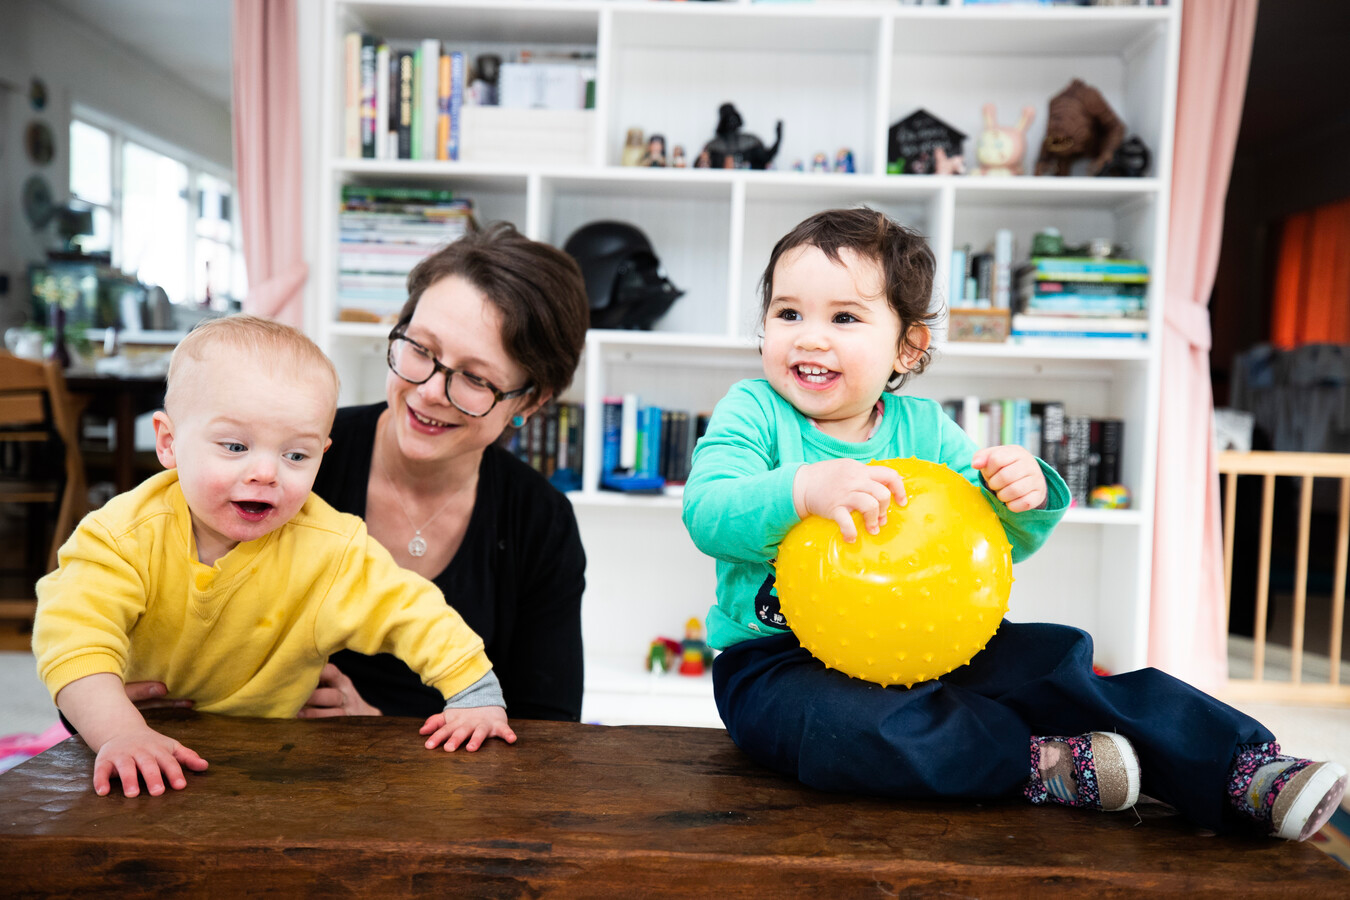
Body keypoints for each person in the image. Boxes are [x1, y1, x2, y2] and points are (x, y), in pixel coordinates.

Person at [681, 207, 1348, 841]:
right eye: (787, 312)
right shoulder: (754, 412)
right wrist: (802, 488)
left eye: (845, 317)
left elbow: (992, 551)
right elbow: (707, 511)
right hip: (776, 663)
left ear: (907, 349)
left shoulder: (925, 431)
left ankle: (1239, 769)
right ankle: (1039, 763)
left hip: (929, 648)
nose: (810, 336)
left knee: (1057, 660)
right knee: (842, 727)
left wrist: (1019, 497)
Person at [33, 315, 515, 799]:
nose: (266, 472)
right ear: (169, 442)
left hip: (278, 766)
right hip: (137, 752)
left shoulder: (332, 548)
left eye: (296, 456)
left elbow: (414, 611)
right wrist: (119, 731)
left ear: (322, 454)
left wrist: (473, 693)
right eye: (235, 446)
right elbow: (74, 638)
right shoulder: (119, 537)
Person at [298, 220, 589, 722]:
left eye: (475, 377)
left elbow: (549, 733)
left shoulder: (540, 521)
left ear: (531, 401)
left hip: (451, 789)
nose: (430, 390)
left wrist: (370, 731)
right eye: (420, 350)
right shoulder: (299, 455)